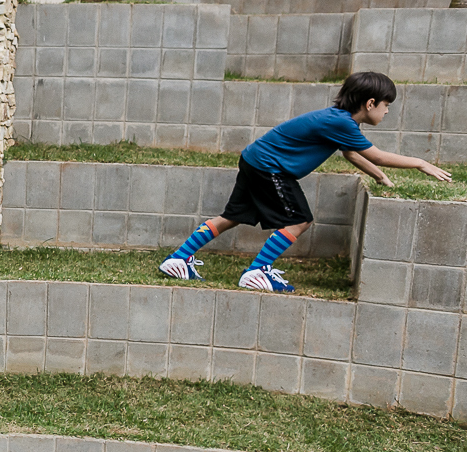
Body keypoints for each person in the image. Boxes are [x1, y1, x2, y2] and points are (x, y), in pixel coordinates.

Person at [159, 71, 452, 292]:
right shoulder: (340, 122)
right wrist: (421, 163)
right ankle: (258, 271)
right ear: (371, 102)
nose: (387, 112)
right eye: (386, 105)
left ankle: (179, 258)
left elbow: (352, 153)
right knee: (299, 220)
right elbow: (375, 155)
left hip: (255, 159)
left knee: (232, 216)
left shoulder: (338, 120)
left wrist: (381, 178)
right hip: (269, 168)